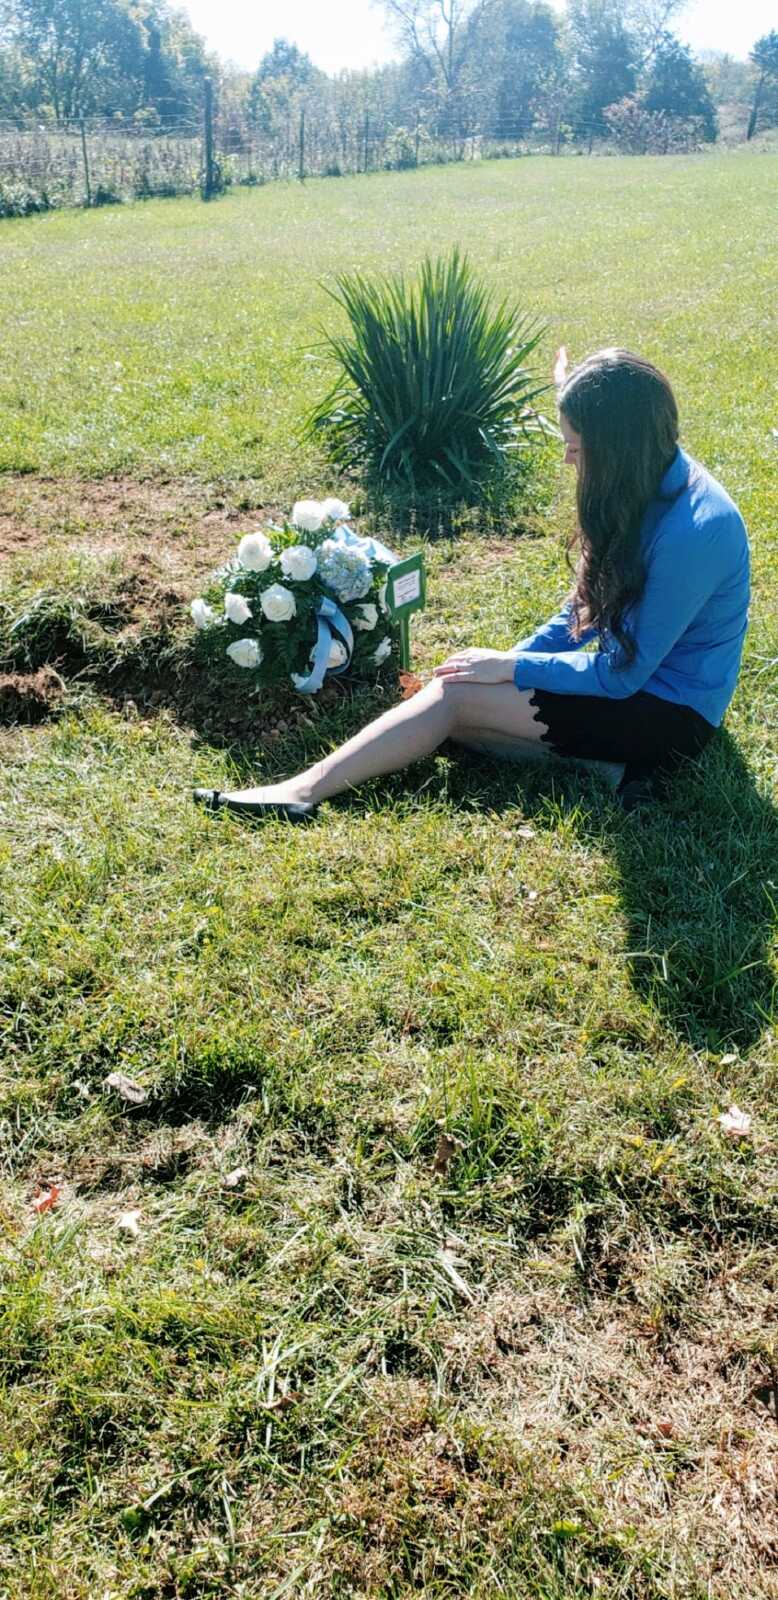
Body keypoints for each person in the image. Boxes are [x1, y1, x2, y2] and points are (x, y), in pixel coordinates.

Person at [194, 348, 750, 822]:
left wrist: (507, 671)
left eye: (577, 448)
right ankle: (611, 767)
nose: (567, 458)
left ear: (618, 450)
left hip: (670, 713)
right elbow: (579, 611)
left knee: (452, 702)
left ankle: (299, 793)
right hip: (626, 688)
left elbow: (623, 675)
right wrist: (507, 662)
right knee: (450, 704)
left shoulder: (695, 530)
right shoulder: (639, 481)